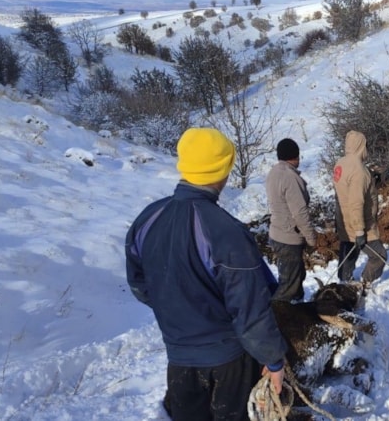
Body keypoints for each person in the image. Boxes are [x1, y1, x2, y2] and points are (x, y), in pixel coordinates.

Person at [125, 127, 287, 420]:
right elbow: (250, 311)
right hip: (229, 362)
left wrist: (181, 311)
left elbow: (139, 285)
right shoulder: (226, 232)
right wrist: (274, 360)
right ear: (223, 170)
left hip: (178, 359)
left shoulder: (147, 219)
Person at [333, 130, 387, 284]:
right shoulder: (359, 171)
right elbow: (356, 202)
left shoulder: (340, 163)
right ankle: (365, 283)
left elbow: (347, 190)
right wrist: (359, 231)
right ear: (360, 146)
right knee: (379, 255)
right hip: (361, 223)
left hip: (343, 219)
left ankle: (344, 280)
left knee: (349, 248)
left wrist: (371, 181)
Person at [266, 138, 316, 302]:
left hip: (278, 233)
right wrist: (311, 238)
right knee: (289, 286)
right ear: (295, 156)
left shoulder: (274, 172)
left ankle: (297, 308)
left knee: (296, 276)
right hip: (289, 237)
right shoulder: (290, 177)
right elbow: (300, 212)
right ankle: (275, 312)